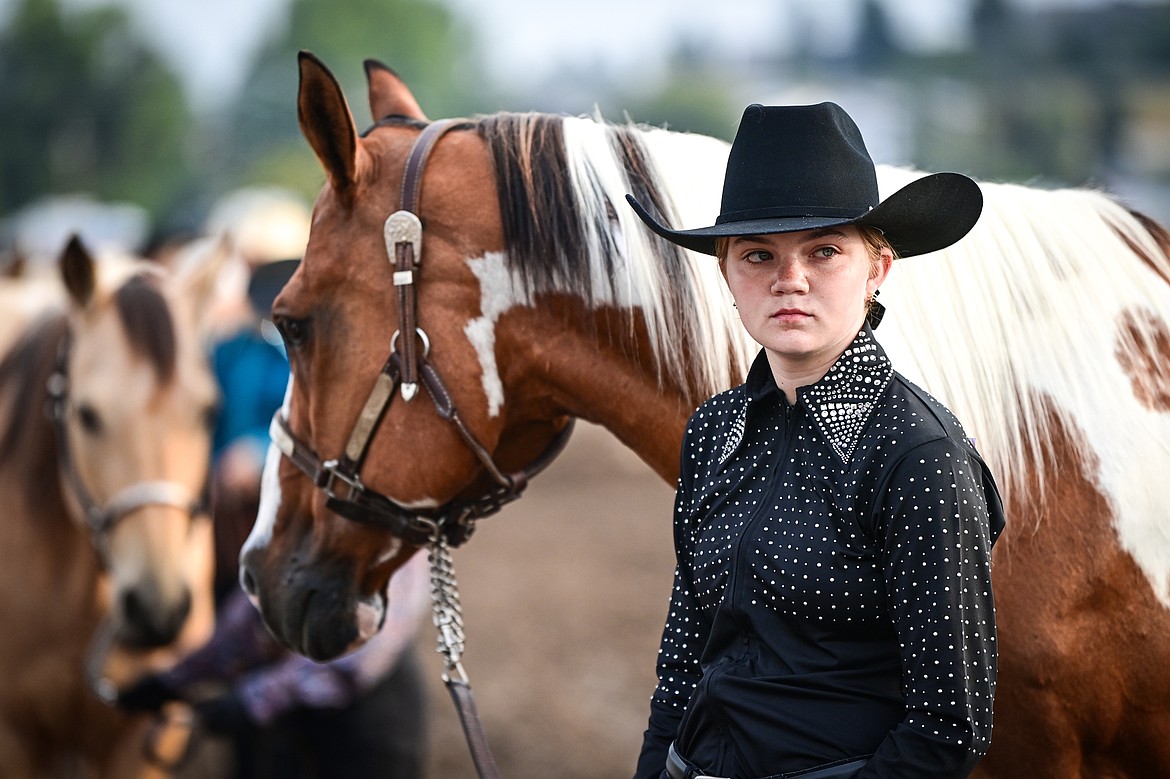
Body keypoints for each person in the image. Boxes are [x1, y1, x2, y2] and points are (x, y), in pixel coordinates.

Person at [624, 102, 1005, 779]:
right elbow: (683, 663)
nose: (789, 278)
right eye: (758, 255)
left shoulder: (920, 455)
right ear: (726, 273)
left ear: (878, 268)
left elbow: (949, 723)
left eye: (824, 250)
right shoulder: (713, 431)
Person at [118, 188, 432, 779]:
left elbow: (369, 644)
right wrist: (173, 682)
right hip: (277, 711)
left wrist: (247, 702)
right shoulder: (232, 354)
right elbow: (255, 609)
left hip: (361, 735)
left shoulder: (376, 468)